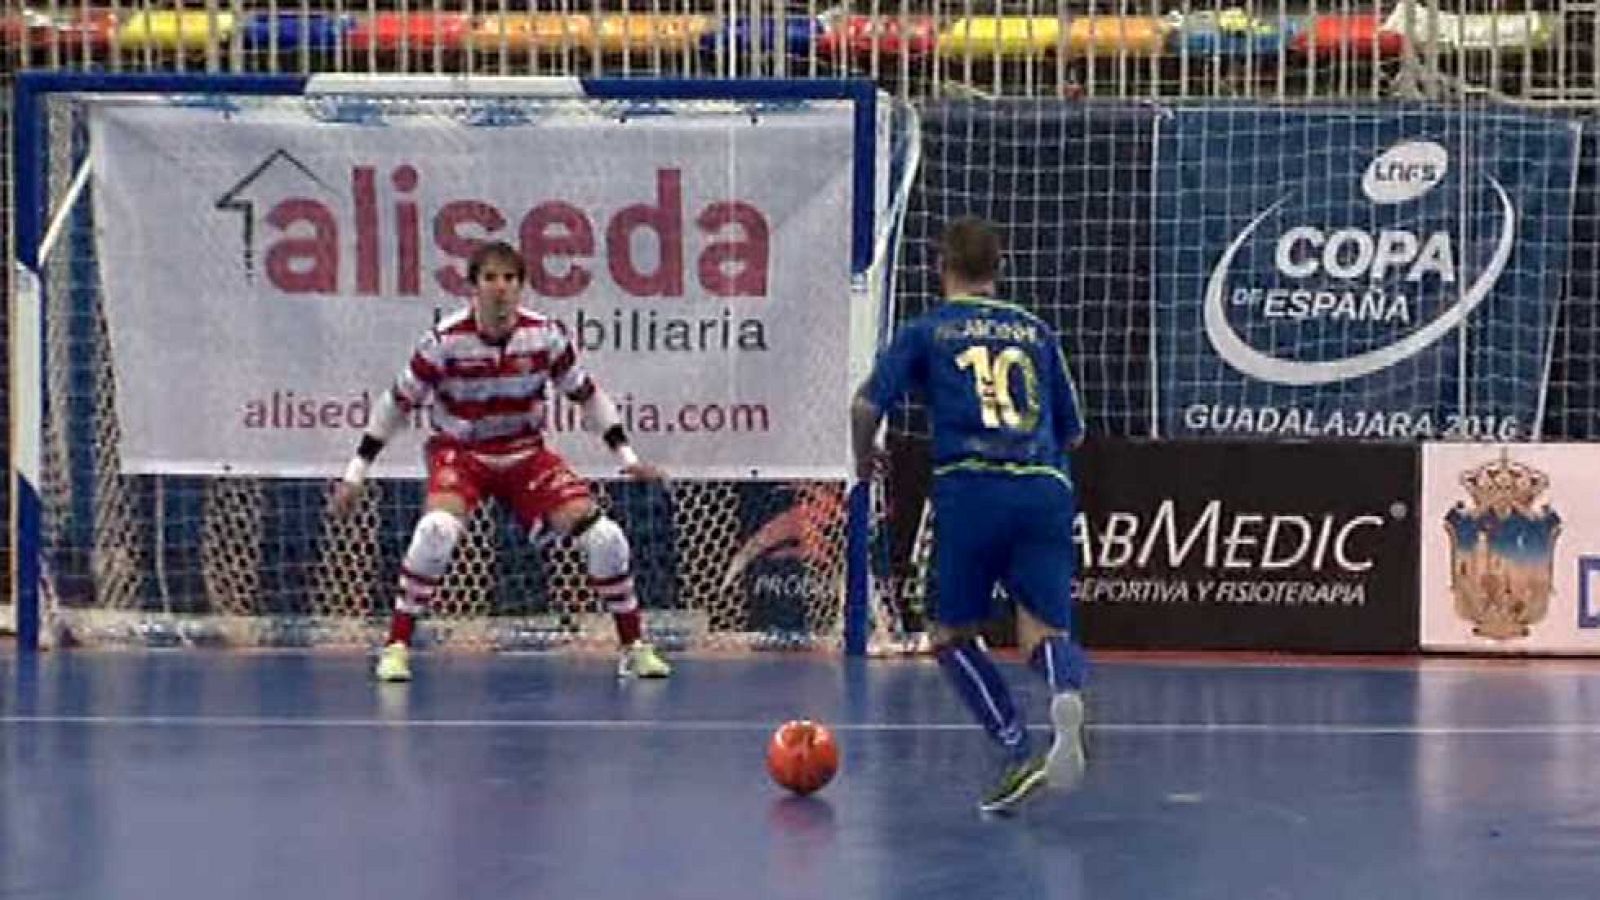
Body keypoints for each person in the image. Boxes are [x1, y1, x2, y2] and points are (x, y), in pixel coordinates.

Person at [332, 240, 673, 682]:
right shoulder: (443, 342)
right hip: (462, 453)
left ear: (521, 286)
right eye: (490, 278)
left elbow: (587, 395)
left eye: (510, 279)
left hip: (525, 454)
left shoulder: (544, 336)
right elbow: (394, 405)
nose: (501, 288)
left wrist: (627, 456)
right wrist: (355, 473)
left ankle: (633, 648)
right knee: (435, 531)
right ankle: (396, 646)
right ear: (473, 287)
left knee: (606, 538)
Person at [851, 216, 1089, 815]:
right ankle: (1065, 692)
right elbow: (1073, 431)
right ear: (999, 267)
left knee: (950, 635)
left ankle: (1015, 746)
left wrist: (863, 460)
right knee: (1044, 633)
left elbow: (864, 406)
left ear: (941, 266)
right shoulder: (1036, 331)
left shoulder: (927, 330)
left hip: (970, 488)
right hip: (1044, 488)